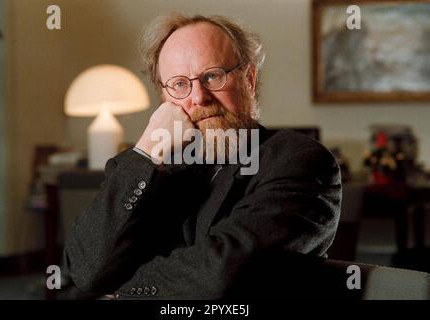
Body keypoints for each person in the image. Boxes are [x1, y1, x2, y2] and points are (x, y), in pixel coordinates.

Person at [64, 13, 342, 299]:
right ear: (165, 99)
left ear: (249, 79)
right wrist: (145, 151)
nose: (198, 97)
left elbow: (222, 273)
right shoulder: (152, 165)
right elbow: (87, 270)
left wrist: (121, 295)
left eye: (212, 76)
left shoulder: (299, 160)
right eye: (180, 84)